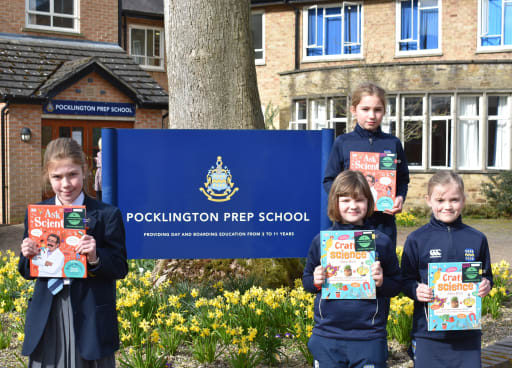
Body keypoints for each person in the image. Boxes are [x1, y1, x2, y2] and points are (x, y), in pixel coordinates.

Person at [18, 137, 128, 367]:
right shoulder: (38, 214)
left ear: (85, 171)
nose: (66, 184)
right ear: (48, 176)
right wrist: (27, 255)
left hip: (90, 314)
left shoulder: (107, 214)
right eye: (57, 177)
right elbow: (27, 271)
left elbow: (119, 267)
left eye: (72, 174)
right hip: (48, 310)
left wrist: (96, 257)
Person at [303, 170, 402, 368]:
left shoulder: (381, 242)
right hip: (328, 335)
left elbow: (396, 284)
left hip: (369, 336)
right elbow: (307, 281)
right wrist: (315, 280)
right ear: (335, 203)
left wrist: (382, 282)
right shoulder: (322, 242)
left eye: (359, 200)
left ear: (369, 203)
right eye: (346, 200)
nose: (353, 206)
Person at [401, 171, 493, 368]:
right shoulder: (417, 239)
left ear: (464, 200)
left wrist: (486, 285)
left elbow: (487, 277)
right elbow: (404, 281)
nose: (447, 206)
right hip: (428, 335)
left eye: (454, 200)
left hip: (467, 336)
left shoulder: (477, 239)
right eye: (440, 200)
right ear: (428, 200)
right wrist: (415, 289)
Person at [323, 82, 410, 249]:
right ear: (354, 110)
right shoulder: (343, 142)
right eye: (365, 109)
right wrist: (346, 200)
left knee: (382, 269)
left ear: (384, 111)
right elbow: (329, 181)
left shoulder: (393, 143)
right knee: (352, 269)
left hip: (383, 224)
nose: (372, 115)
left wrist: (399, 197)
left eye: (377, 110)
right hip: (350, 222)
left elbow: (403, 179)